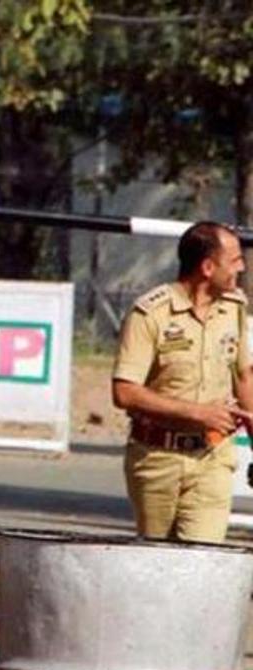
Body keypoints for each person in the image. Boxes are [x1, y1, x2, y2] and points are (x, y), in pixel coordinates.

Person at [112, 221, 253, 543]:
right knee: (157, 564)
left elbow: (244, 374)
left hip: (213, 458)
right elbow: (124, 392)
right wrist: (197, 413)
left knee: (202, 562)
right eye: (234, 260)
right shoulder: (150, 314)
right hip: (156, 459)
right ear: (207, 267)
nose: (242, 267)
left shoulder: (233, 307)